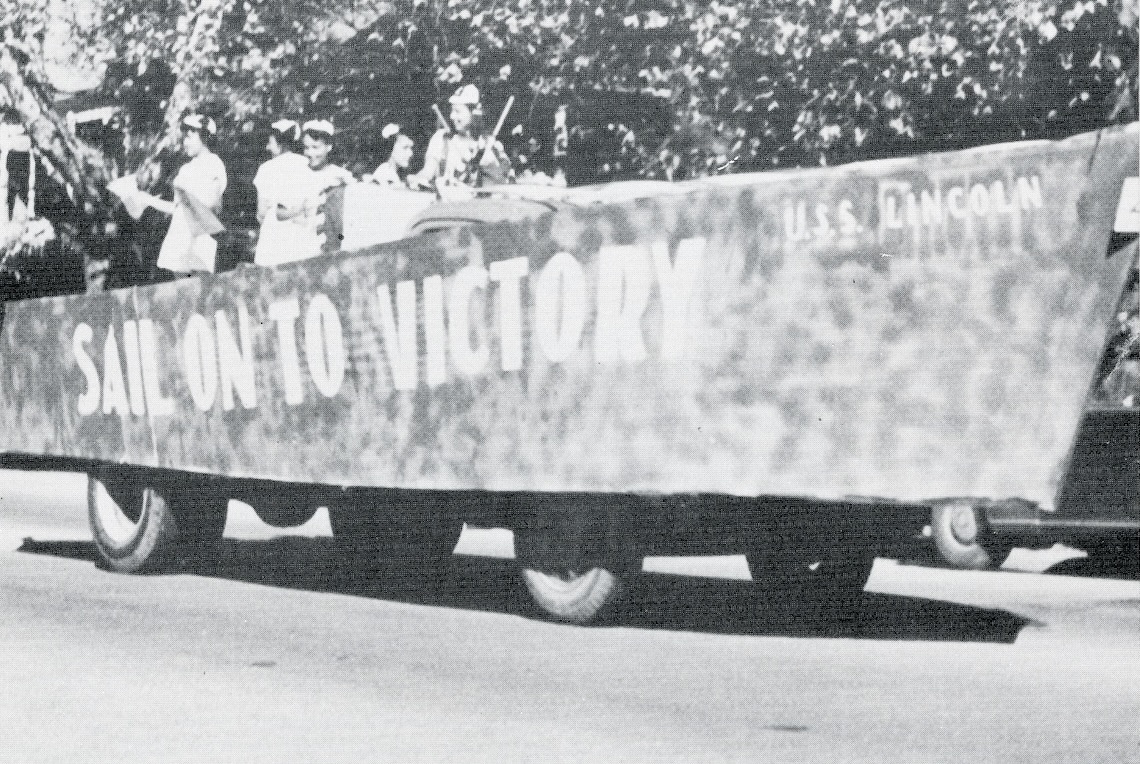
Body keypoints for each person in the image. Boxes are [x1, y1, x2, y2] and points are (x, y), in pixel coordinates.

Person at [145, 113, 227, 276]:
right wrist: (147, 200)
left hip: (201, 238)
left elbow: (213, 204)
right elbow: (177, 209)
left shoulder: (213, 163)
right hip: (180, 238)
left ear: (204, 137)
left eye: (189, 137)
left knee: (202, 293)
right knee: (183, 294)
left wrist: (187, 194)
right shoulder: (185, 169)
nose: (185, 142)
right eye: (184, 138)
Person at [273, 119, 355, 261]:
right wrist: (299, 209)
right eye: (306, 147)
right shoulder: (297, 174)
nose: (310, 153)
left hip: (331, 243)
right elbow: (279, 213)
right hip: (302, 244)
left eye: (315, 147)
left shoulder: (340, 175)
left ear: (328, 147)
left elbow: (349, 212)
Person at [409, 84, 511, 192]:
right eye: (452, 111)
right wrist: (418, 179)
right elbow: (428, 171)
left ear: (474, 113)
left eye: (458, 111)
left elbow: (501, 182)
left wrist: (490, 165)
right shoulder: (442, 139)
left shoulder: (488, 143)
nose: (452, 116)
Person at [252, 118, 311, 266]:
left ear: (280, 144)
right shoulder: (306, 164)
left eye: (270, 143)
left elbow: (262, 213)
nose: (267, 147)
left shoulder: (266, 169)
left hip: (274, 235)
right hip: (301, 232)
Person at [366, 123, 416, 188]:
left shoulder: (395, 173)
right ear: (391, 148)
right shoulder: (385, 175)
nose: (411, 153)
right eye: (405, 147)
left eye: (411, 148)